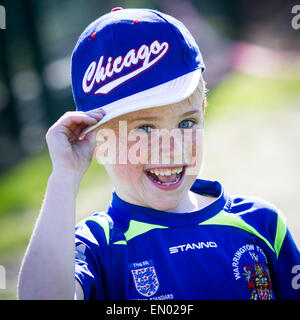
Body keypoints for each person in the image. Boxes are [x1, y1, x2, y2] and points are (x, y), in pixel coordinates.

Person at [18, 7, 300, 300]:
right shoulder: (96, 246)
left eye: (186, 123)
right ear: (97, 141)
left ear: (203, 112)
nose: (170, 146)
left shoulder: (261, 224)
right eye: (144, 128)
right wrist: (65, 176)